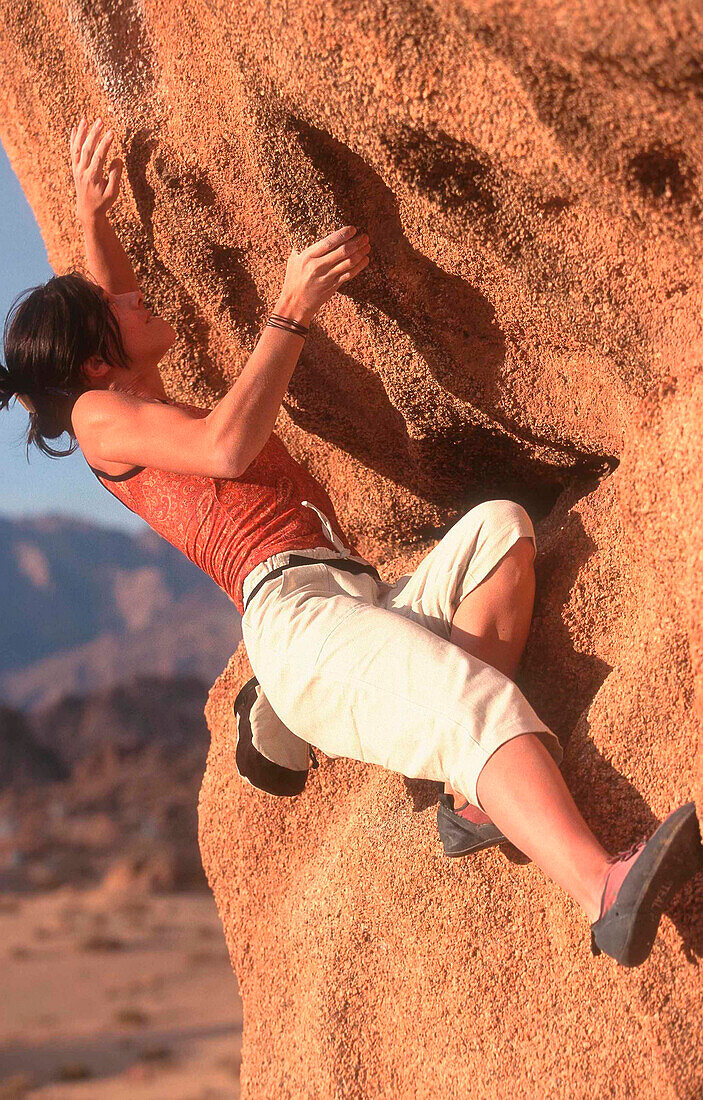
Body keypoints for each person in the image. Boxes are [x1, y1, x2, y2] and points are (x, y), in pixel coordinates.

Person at [2, 116, 701, 968]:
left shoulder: (123, 395)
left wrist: (91, 213)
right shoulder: (97, 417)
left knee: (498, 531)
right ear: (92, 366)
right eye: (112, 309)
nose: (133, 296)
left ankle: (471, 798)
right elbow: (224, 447)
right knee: (469, 705)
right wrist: (288, 313)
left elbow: (112, 309)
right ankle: (601, 890)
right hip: (295, 617)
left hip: (350, 595)